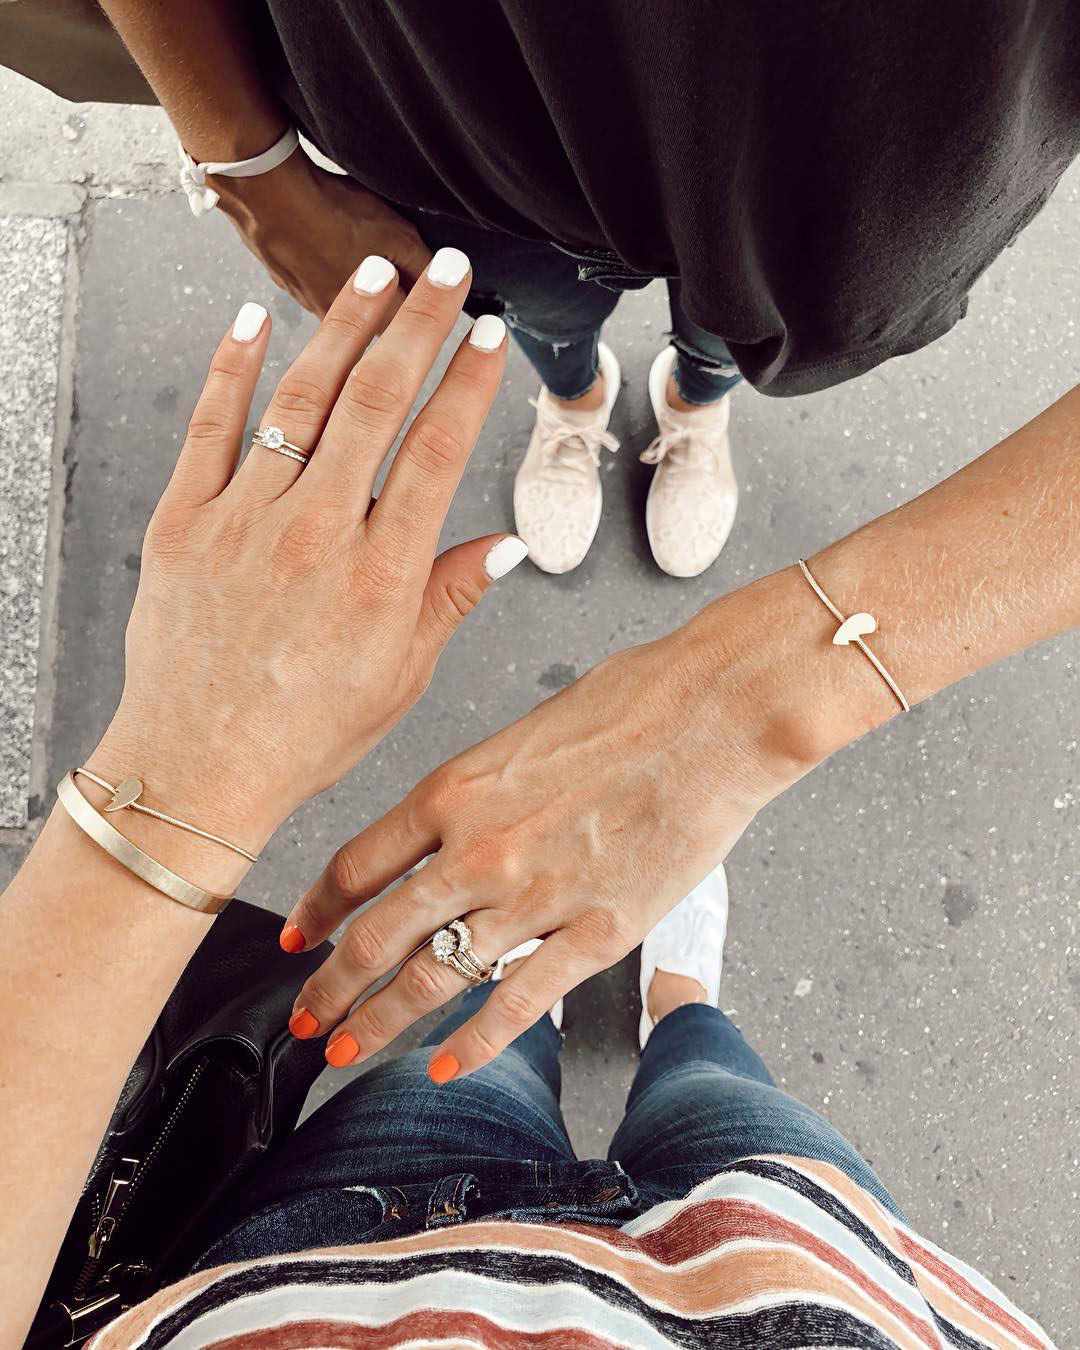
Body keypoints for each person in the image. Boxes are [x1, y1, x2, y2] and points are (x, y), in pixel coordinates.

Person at [0, 260, 1056, 1349]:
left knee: (474, 1052)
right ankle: (670, 995)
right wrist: (766, 704)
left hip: (358, 1254)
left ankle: (693, 395)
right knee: (708, 1074)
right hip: (797, 1259)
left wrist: (182, 777)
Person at [97, 2, 1080, 576]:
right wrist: (249, 168)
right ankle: (576, 400)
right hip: (466, 113)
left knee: (734, 327)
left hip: (843, 149)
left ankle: (693, 406)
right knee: (541, 311)